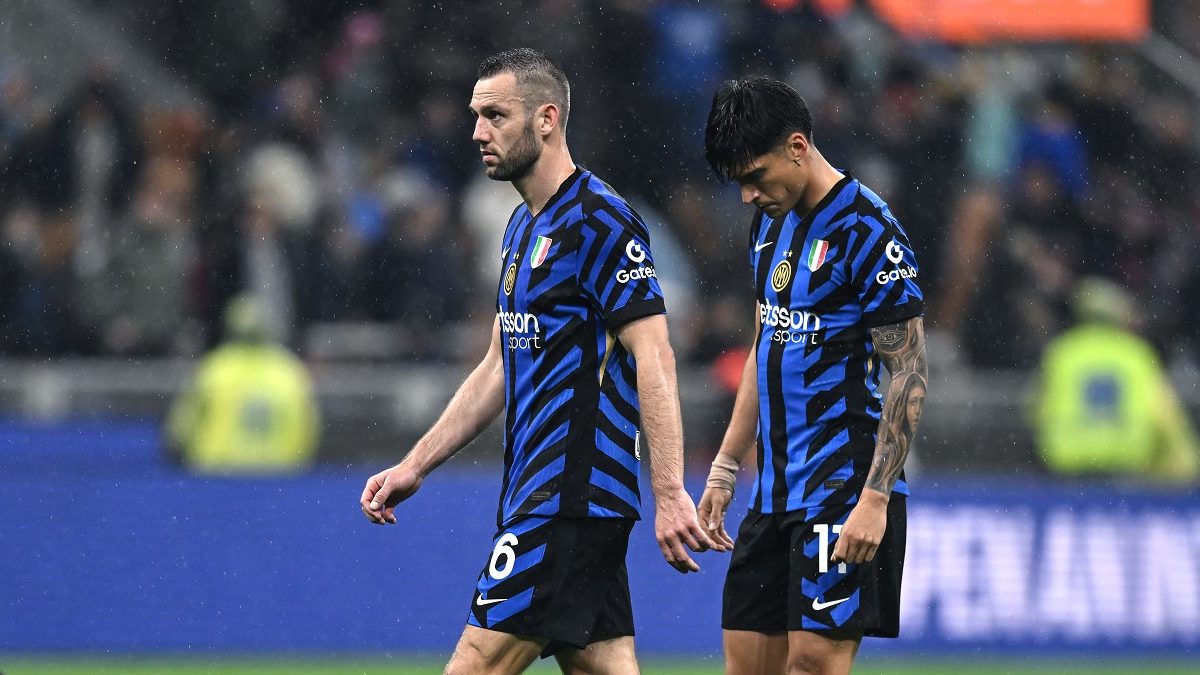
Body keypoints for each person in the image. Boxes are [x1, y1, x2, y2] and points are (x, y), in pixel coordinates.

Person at [359, 48, 710, 675]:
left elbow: (655, 355)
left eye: (495, 116)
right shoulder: (522, 228)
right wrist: (415, 465)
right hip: (540, 496)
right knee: (602, 664)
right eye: (476, 116)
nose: (478, 132)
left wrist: (668, 490)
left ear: (547, 119)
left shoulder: (600, 221)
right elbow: (499, 365)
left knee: (474, 665)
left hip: (571, 500)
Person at [697, 77, 928, 675]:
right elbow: (765, 345)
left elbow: (908, 372)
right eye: (739, 182)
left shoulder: (867, 230)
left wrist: (875, 499)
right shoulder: (768, 224)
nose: (748, 195)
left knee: (811, 664)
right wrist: (726, 465)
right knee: (746, 667)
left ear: (798, 147)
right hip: (773, 493)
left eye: (756, 176)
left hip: (843, 488)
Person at [1034, 276, 1200, 485]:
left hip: (1067, 475)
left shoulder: (1061, 353)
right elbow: (1166, 417)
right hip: (1125, 474)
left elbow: (1038, 411)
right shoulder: (1137, 354)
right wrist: (1187, 470)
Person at [166, 294, 319, 474]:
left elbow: (180, 429)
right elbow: (309, 431)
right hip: (278, 477)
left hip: (216, 477)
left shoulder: (213, 369)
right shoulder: (289, 371)